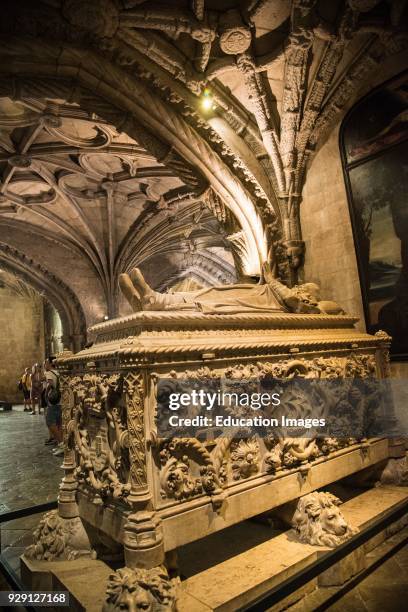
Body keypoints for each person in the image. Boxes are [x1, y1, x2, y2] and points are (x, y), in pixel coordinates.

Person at [43, 358, 64, 457]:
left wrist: (46, 394)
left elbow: (50, 384)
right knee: (59, 424)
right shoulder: (58, 372)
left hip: (53, 401)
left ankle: (62, 444)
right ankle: (61, 444)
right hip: (60, 400)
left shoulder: (48, 373)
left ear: (51, 363)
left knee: (50, 422)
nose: (44, 364)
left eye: (46, 362)